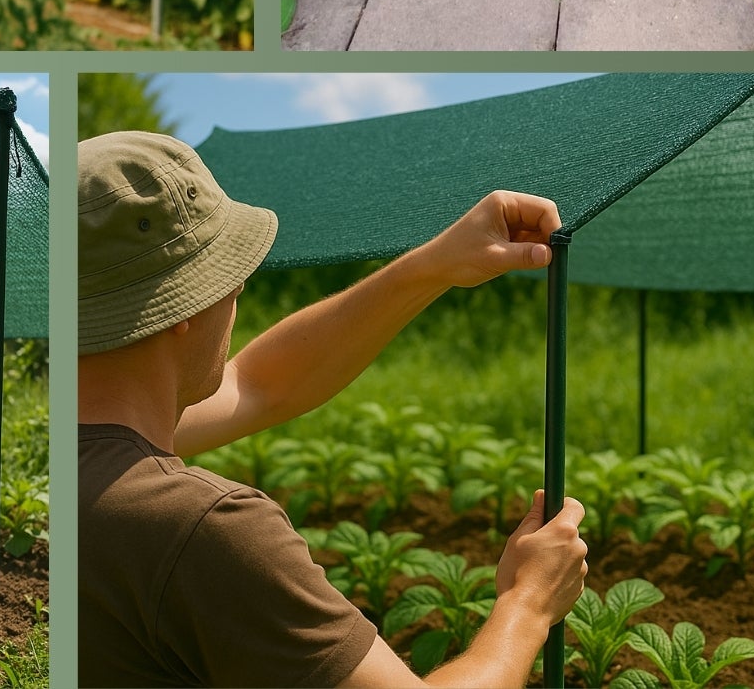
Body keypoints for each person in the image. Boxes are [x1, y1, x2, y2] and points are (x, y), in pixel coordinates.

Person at [78, 131, 589, 689]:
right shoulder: (202, 532)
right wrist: (527, 605)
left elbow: (259, 384)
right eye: (230, 278)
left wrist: (433, 266)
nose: (237, 292)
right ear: (183, 302)